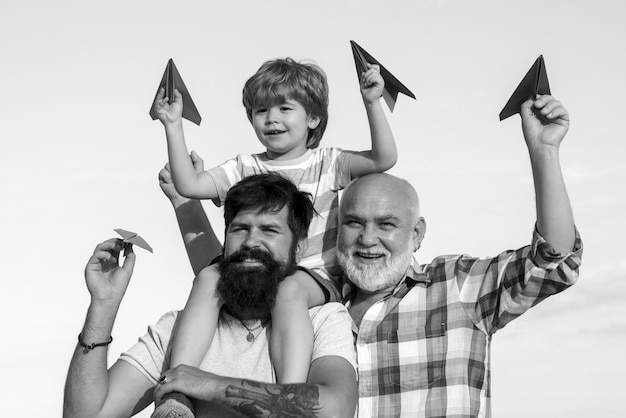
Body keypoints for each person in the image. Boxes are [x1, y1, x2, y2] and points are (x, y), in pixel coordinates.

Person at [164, 95, 583, 417]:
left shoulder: (457, 287)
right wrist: (184, 203)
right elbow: (231, 268)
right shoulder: (312, 307)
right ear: (333, 229)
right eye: (353, 223)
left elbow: (553, 261)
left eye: (386, 224)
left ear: (417, 234)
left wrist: (544, 152)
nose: (368, 239)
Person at [151, 56, 397, 409]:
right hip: (256, 270)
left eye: (285, 108)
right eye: (261, 110)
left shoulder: (329, 163)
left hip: (311, 276)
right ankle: (176, 390)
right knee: (207, 276)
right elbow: (188, 184)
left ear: (313, 117)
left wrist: (372, 102)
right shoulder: (243, 167)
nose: (272, 118)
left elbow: (383, 159)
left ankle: (285, 399)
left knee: (289, 287)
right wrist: (172, 125)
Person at [63, 173, 358, 418]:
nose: (251, 241)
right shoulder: (177, 329)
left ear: (299, 247)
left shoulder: (323, 321)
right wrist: (103, 305)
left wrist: (209, 385)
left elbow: (335, 410)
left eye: (269, 230)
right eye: (240, 229)